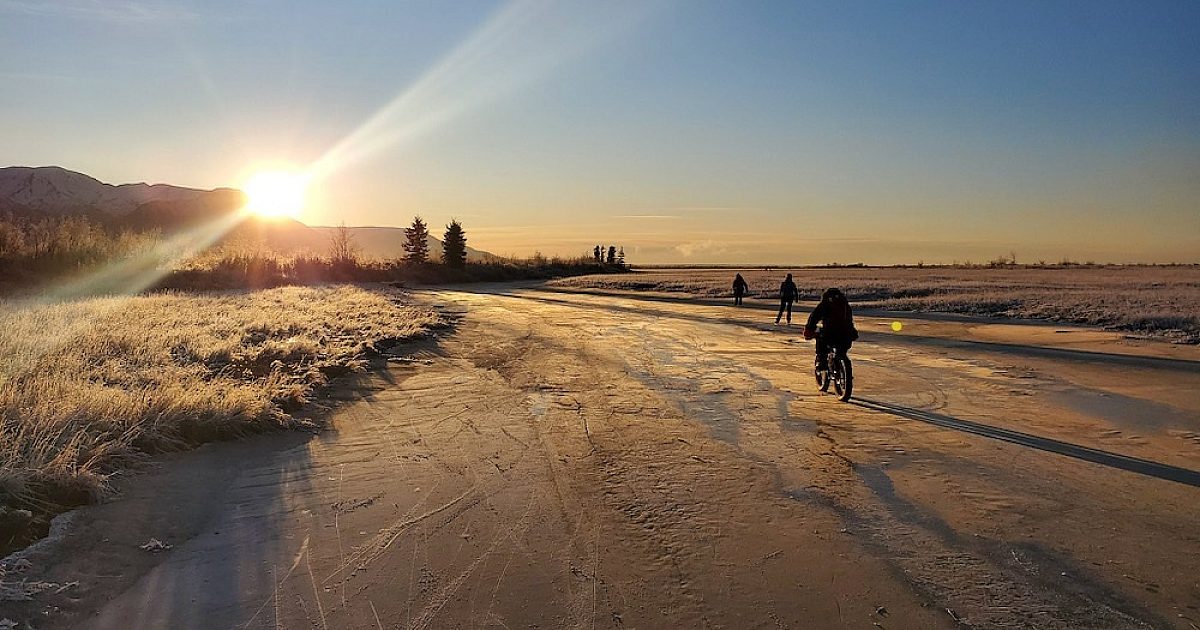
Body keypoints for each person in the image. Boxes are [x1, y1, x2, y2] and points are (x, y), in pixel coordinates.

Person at [803, 287, 859, 370]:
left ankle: (822, 361)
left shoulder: (825, 304)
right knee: (841, 351)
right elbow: (849, 322)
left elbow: (814, 317)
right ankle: (841, 364)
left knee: (820, 338)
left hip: (830, 334)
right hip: (847, 335)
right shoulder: (845, 306)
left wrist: (809, 330)